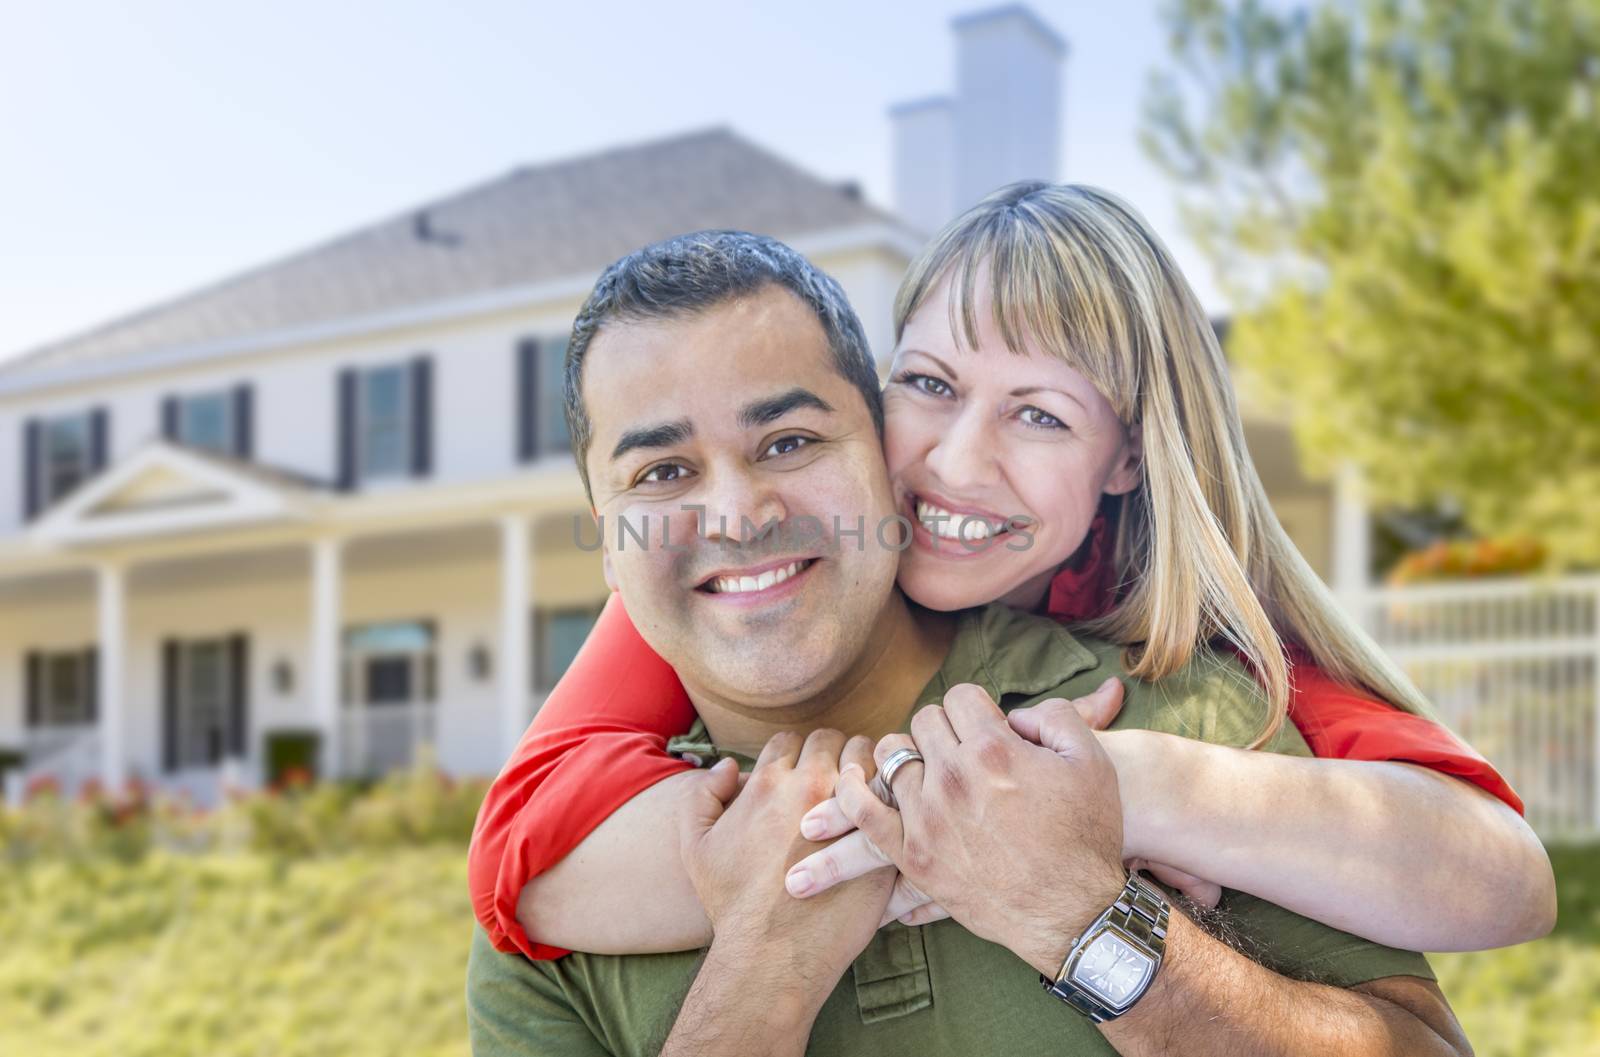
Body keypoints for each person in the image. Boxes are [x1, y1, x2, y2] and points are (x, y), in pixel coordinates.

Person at [468, 184, 1554, 963]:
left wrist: (1127, 787)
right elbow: (520, 847)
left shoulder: (1193, 641)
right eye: (930, 384)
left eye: (1039, 414)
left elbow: (1502, 876)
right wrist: (932, 830)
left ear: (1129, 455)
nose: (954, 460)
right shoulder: (772, 566)